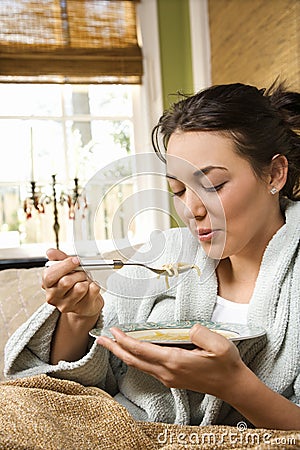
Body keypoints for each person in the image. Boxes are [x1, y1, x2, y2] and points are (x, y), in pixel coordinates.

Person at [4, 81, 300, 430]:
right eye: (178, 190)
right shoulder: (167, 255)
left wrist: (233, 386)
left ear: (274, 174)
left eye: (213, 185)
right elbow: (69, 385)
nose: (191, 209)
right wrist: (79, 317)